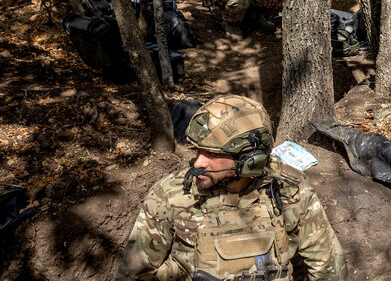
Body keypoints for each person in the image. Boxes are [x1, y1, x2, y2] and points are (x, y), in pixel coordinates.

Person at [116, 94, 347, 280]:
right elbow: (135, 273)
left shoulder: (290, 189)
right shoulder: (171, 194)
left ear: (249, 159)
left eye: (212, 154)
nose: (198, 163)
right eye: (198, 151)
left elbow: (328, 268)